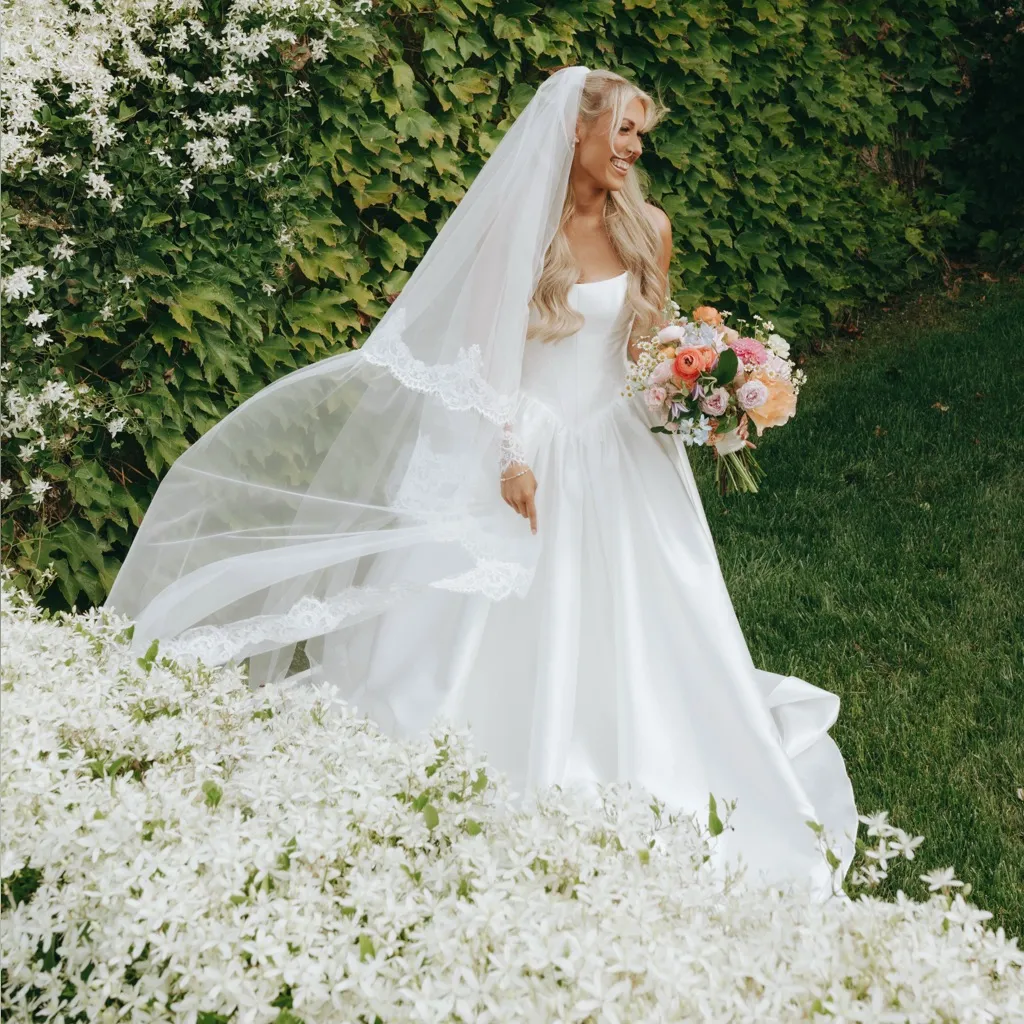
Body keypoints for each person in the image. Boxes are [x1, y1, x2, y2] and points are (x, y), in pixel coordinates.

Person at [107, 66, 858, 899]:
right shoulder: (518, 233)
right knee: (489, 621)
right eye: (624, 131)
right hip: (524, 444)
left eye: (642, 135)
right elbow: (479, 357)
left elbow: (649, 341)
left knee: (643, 610)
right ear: (576, 130)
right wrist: (506, 454)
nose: (636, 148)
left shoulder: (649, 227)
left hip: (620, 452)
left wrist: (698, 389)